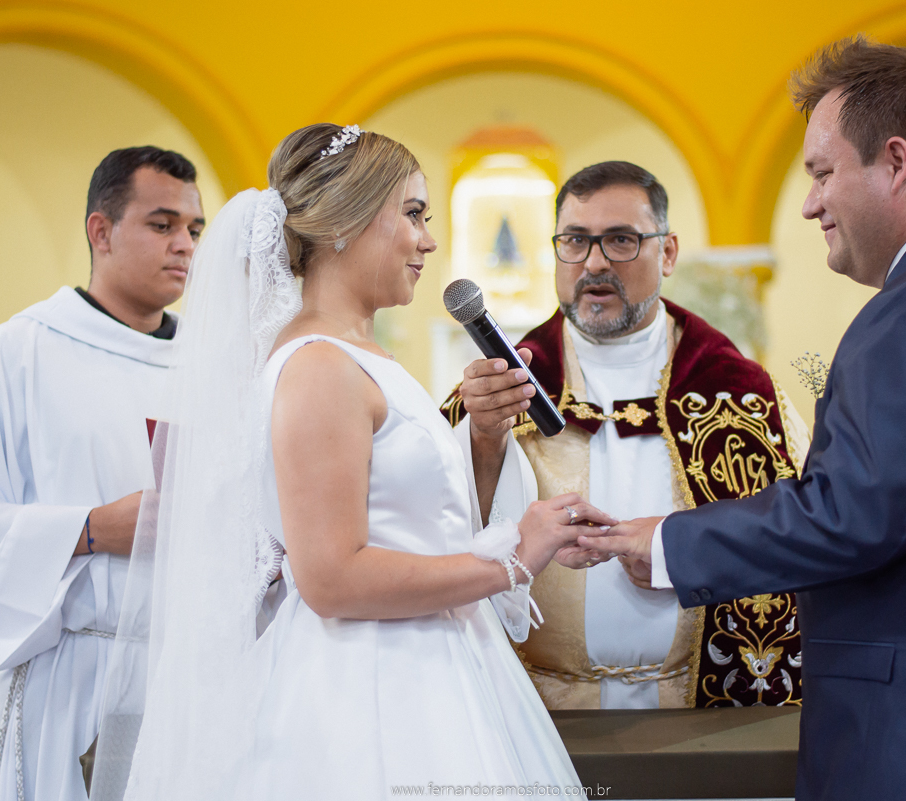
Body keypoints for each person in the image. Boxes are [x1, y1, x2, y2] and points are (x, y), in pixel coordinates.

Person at [583, 37, 906, 800]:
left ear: (895, 162)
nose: (810, 202)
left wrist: (667, 543)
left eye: (823, 173)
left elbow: (853, 511)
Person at [95, 124, 606, 801]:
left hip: (430, 660)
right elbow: (331, 577)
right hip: (367, 687)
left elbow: (417, 522)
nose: (428, 240)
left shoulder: (360, 354)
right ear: (343, 222)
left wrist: (485, 439)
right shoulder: (318, 367)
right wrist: (511, 559)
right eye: (414, 213)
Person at [440, 161, 809, 710]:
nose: (594, 263)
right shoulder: (499, 391)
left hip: (699, 712)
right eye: (575, 240)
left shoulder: (742, 397)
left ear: (668, 252)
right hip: (537, 710)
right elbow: (433, 533)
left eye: (620, 240)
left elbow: (801, 530)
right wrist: (483, 441)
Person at [0, 146, 204, 801]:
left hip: (183, 681)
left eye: (194, 229)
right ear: (101, 230)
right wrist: (90, 530)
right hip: (65, 676)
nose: (184, 244)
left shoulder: (211, 367)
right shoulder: (21, 352)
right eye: (162, 225)